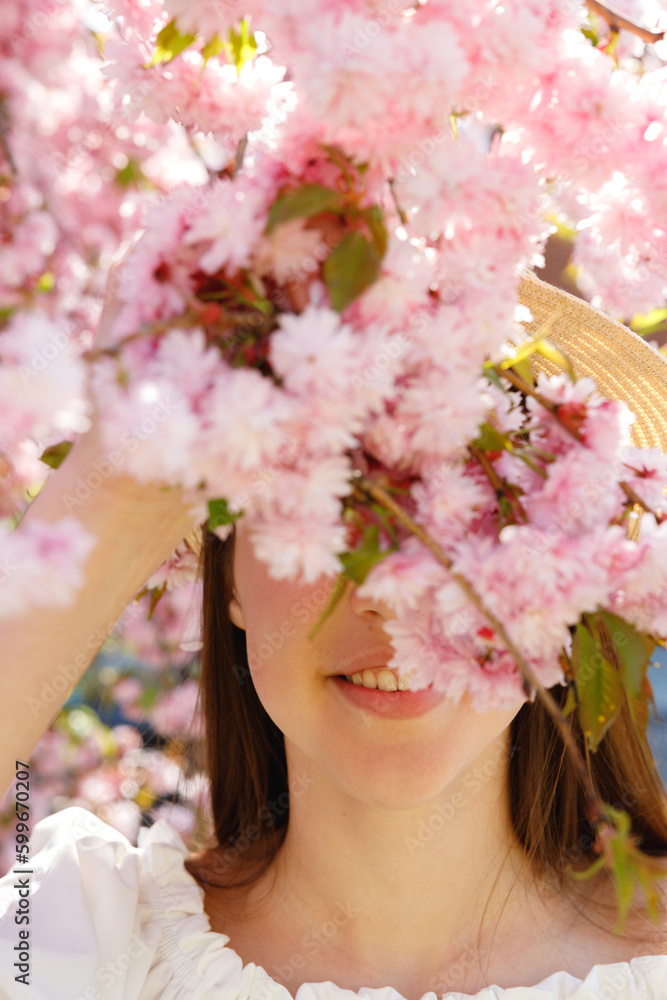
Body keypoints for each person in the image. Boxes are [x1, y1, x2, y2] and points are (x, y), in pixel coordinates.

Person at [1, 270, 667, 1000]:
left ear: (560, 585)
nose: (387, 595)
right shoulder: (85, 944)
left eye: (457, 521)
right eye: (326, 510)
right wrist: (115, 488)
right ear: (225, 574)